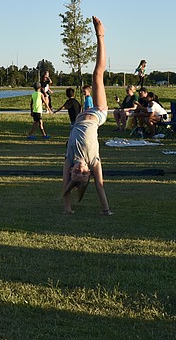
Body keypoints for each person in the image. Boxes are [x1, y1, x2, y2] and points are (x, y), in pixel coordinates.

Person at [63, 16, 112, 215]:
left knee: (93, 77)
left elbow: (64, 186)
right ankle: (100, 35)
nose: (79, 170)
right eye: (84, 174)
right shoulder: (94, 162)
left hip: (82, 116)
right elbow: (100, 186)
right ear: (89, 173)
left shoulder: (69, 159)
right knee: (97, 75)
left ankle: (100, 35)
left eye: (76, 173)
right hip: (98, 114)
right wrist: (106, 210)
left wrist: (67, 208)